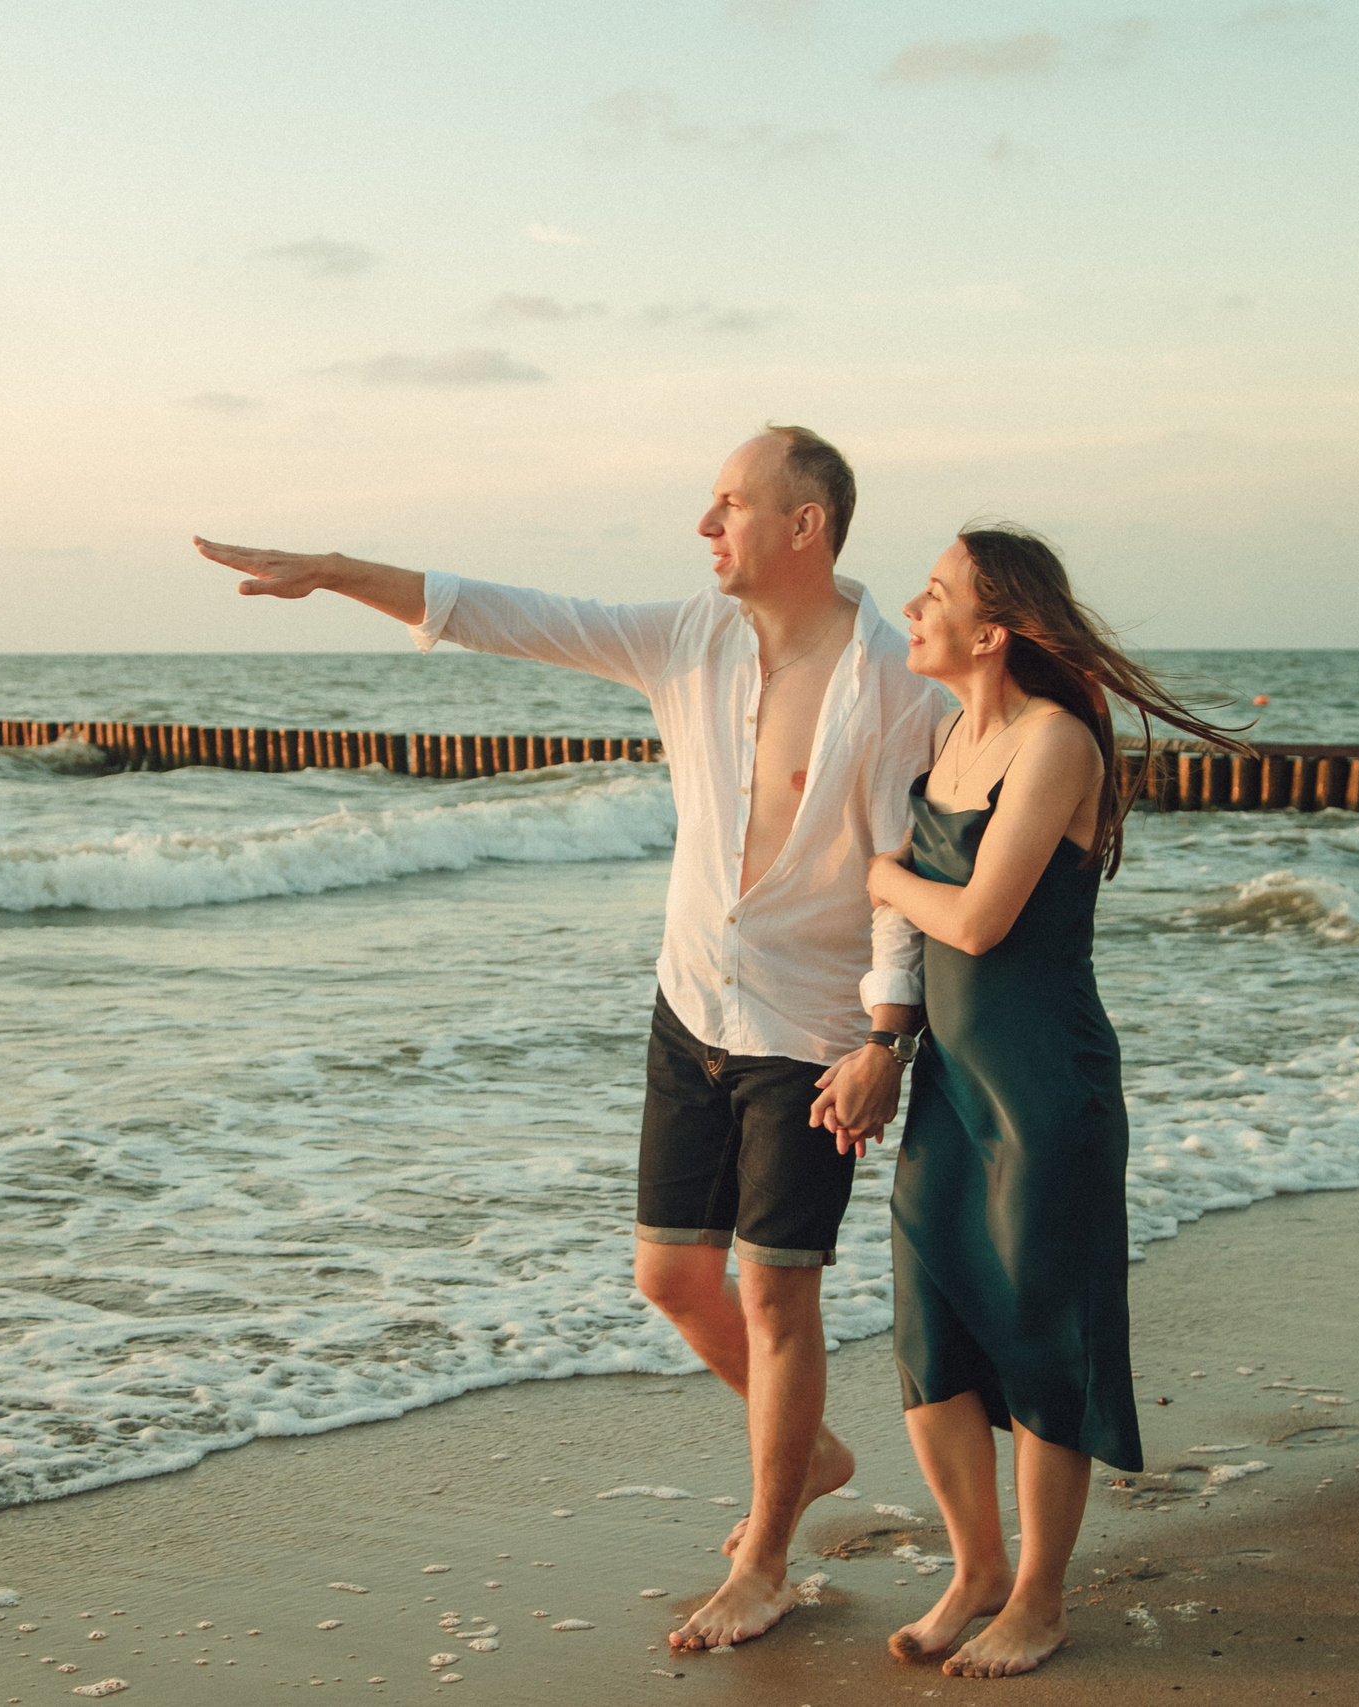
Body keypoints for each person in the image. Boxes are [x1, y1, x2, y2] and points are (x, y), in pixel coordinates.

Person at [195, 426, 949, 1651]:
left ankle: (764, 1561)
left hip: (808, 1033)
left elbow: (894, 876)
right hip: (691, 1001)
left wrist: (885, 1041)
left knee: (775, 1294)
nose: (706, 528)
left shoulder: (894, 676)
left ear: (803, 525)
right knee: (669, 1278)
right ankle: (802, 1452)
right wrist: (333, 567)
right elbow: (502, 611)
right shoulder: (686, 639)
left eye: (729, 505)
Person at [862, 528, 1245, 1679]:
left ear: (992, 630)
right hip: (949, 1086)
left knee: (1044, 1338)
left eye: (934, 594)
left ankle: (1038, 1597)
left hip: (1044, 1092)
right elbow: (937, 940)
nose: (912, 607)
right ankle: (975, 1568)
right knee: (930, 1332)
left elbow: (976, 920)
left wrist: (877, 872)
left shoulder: (1054, 742)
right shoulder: (949, 734)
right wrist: (883, 1043)